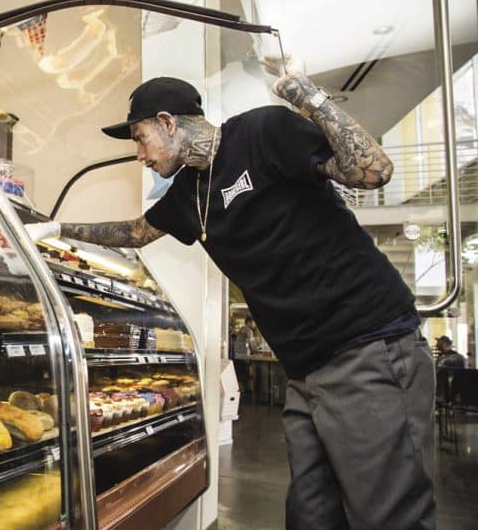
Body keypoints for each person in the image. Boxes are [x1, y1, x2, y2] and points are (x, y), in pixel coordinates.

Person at [27, 63, 434, 529]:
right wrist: (55, 229)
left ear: (166, 122)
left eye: (140, 138)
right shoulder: (189, 192)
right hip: (305, 369)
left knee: (387, 513)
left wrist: (306, 95)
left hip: (368, 345)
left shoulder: (263, 131)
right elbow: (136, 233)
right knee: (312, 515)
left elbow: (374, 172)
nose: (139, 154)